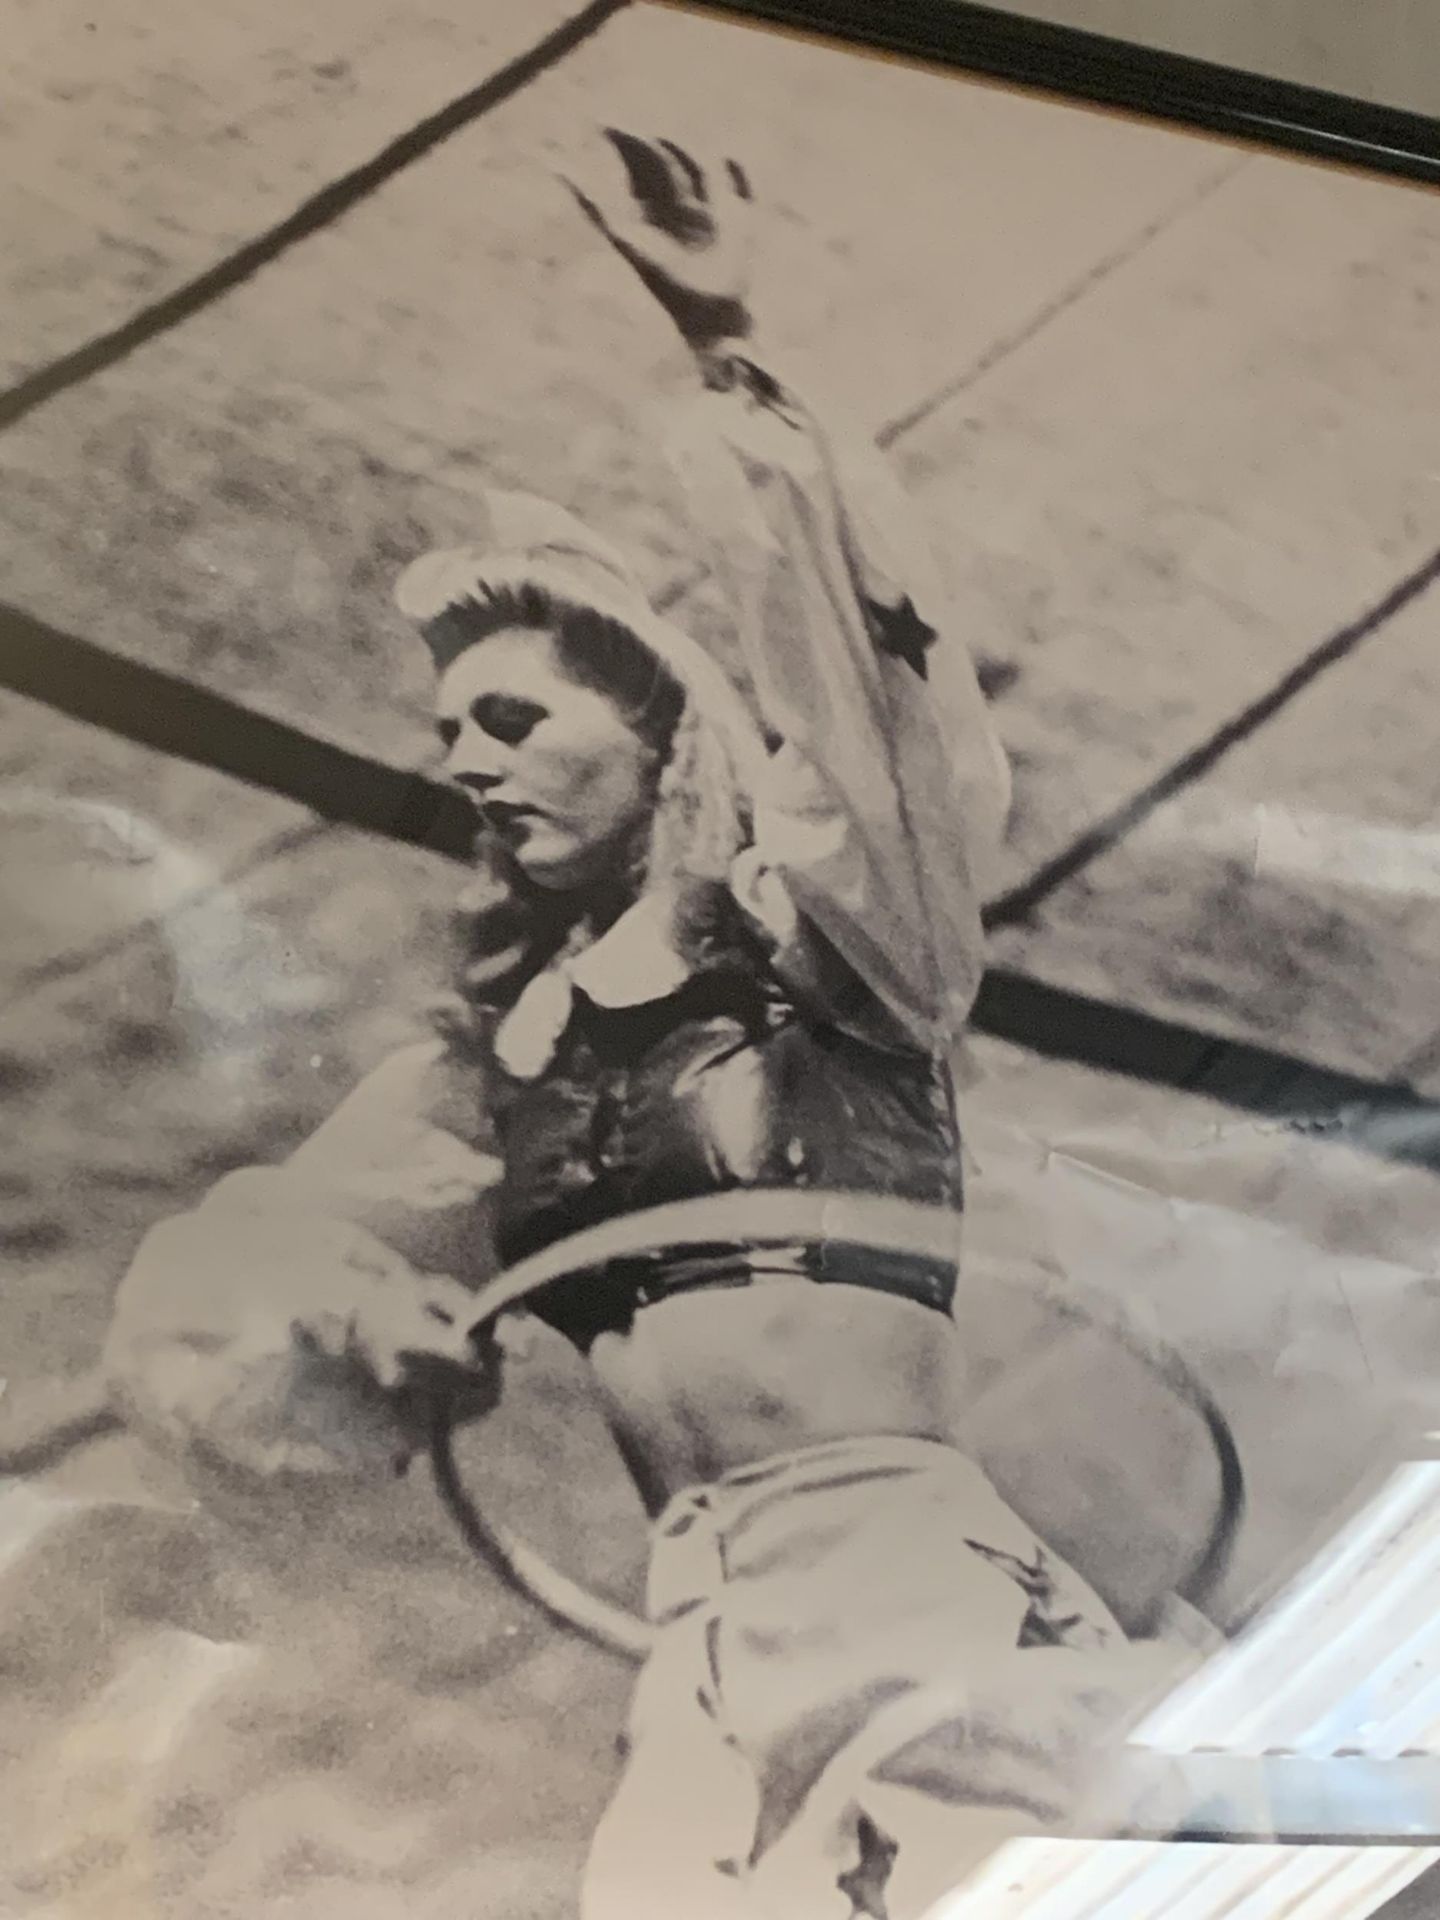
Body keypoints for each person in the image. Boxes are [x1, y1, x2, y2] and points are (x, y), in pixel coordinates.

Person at [104, 134, 1223, 1918]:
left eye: (509, 715)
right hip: (697, 1630)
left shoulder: (844, 950)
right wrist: (353, 1318)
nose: (462, 759)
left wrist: (723, 343)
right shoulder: (490, 1076)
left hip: (896, 1575)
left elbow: (880, 717)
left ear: (652, 732)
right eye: (451, 727)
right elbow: (242, 1273)